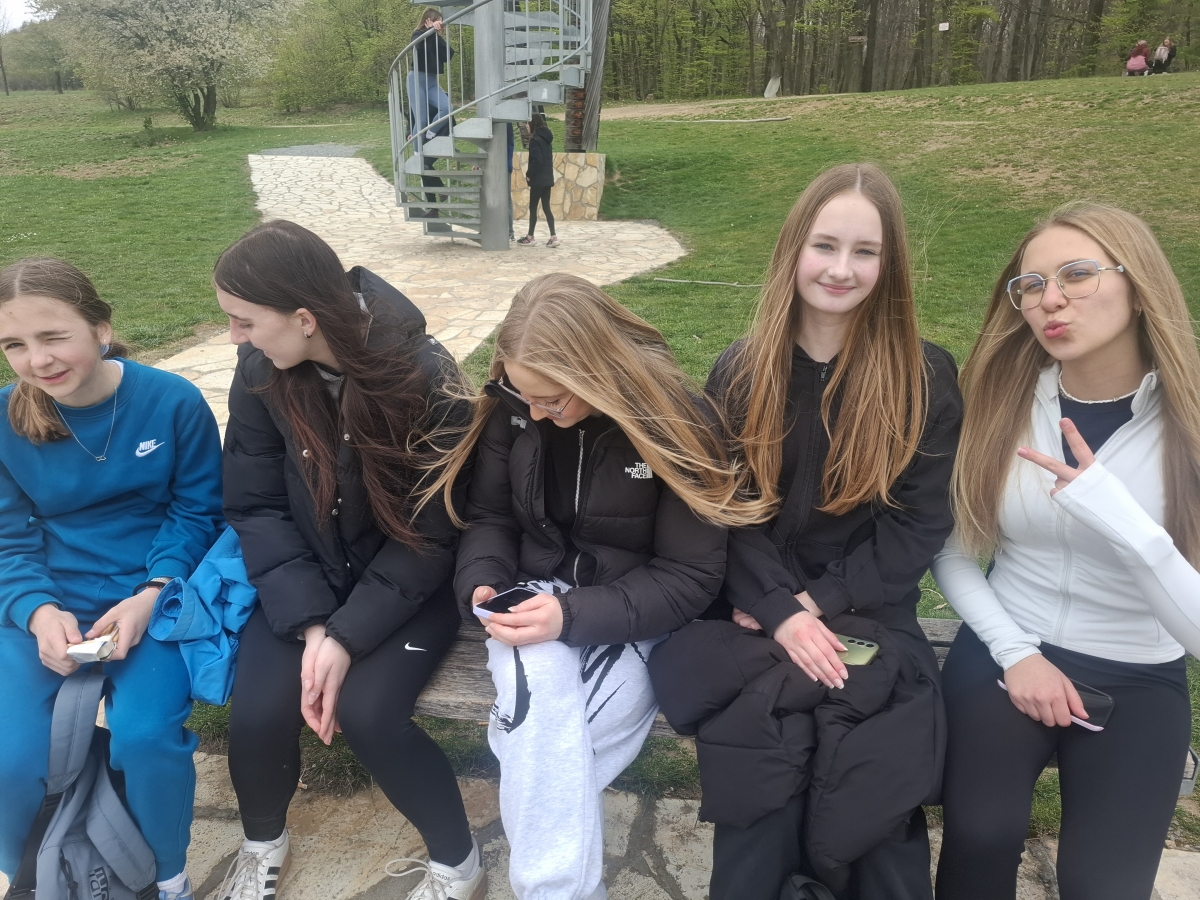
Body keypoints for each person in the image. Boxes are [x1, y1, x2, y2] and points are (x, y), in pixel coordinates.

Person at [647, 163, 964, 900]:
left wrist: (817, 604)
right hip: (755, 616)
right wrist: (781, 612)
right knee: (762, 791)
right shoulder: (742, 370)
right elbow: (724, 508)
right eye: (825, 245)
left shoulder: (922, 377)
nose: (841, 269)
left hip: (869, 615)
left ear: (889, 266)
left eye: (865, 251)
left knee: (873, 794)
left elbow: (919, 523)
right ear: (794, 249)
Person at [425, 272, 768, 900]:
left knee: (537, 742)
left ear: (596, 373)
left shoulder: (675, 423)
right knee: (546, 717)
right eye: (524, 395)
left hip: (641, 613)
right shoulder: (513, 408)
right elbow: (490, 517)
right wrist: (484, 579)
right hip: (530, 597)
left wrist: (570, 616)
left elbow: (691, 574)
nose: (535, 413)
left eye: (553, 400)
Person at [932, 203, 1200, 900]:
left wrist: (1123, 519)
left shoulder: (1190, 422)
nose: (1050, 299)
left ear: (1138, 285)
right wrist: (1016, 653)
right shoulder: (1002, 402)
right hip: (1006, 647)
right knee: (980, 837)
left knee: (1104, 885)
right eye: (1031, 285)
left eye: (1077, 274)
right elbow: (951, 554)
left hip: (1140, 674)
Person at [215, 221, 484, 900]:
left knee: (370, 714)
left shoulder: (426, 376)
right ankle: (261, 842)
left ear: (304, 319)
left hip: (411, 580)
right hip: (307, 575)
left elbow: (433, 532)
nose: (234, 337)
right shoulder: (261, 372)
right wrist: (312, 626)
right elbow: (254, 505)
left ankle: (458, 862)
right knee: (257, 712)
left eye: (244, 321)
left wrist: (347, 637)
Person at [0, 258, 224, 900]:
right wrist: (37, 610)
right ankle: (27, 876)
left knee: (146, 737)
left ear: (101, 330)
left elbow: (197, 512)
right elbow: (8, 538)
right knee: (11, 754)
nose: (38, 360)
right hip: (49, 598)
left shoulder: (171, 400)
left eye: (54, 337)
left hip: (153, 594)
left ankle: (167, 876)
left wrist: (153, 594)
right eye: (14, 344)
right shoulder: (5, 419)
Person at [408, 7, 454, 151]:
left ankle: (431, 133)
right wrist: (429, 32)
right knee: (421, 120)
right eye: (439, 22)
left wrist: (434, 34)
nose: (441, 26)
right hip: (417, 80)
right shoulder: (418, 34)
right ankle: (417, 155)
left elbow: (448, 55)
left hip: (432, 82)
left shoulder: (435, 38)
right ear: (429, 20)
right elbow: (418, 47)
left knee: (447, 108)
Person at [517, 113, 558, 247]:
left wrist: (529, 174)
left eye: (527, 123)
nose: (526, 126)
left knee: (533, 207)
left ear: (533, 123)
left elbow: (537, 160)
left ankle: (530, 237)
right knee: (546, 207)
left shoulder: (535, 140)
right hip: (547, 178)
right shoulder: (546, 139)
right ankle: (553, 237)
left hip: (538, 179)